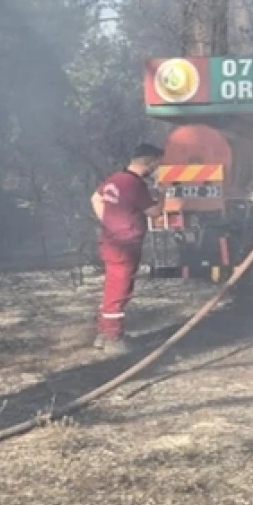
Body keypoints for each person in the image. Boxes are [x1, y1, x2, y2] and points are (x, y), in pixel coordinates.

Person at [91, 143, 165, 354]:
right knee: (120, 290)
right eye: (157, 164)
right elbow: (154, 213)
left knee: (112, 287)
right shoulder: (135, 185)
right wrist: (163, 193)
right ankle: (114, 338)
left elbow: (95, 198)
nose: (157, 168)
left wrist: (108, 221)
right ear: (149, 163)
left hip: (111, 241)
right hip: (126, 246)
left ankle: (103, 333)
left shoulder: (115, 178)